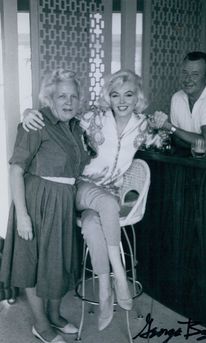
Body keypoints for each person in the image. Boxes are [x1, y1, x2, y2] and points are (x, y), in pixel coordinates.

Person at [21, 69, 162, 331]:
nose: (122, 101)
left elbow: (164, 141)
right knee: (107, 205)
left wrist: (167, 124)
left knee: (92, 225)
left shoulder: (143, 125)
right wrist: (28, 111)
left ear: (137, 98)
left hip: (109, 192)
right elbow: (58, 114)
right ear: (107, 97)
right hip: (82, 187)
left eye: (129, 94)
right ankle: (119, 275)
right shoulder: (94, 118)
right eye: (115, 94)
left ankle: (105, 291)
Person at [0, 69, 91, 343]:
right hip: (37, 202)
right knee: (33, 263)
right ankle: (41, 324)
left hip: (63, 203)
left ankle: (54, 315)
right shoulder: (36, 123)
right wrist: (23, 216)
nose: (68, 101)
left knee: (58, 262)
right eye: (61, 95)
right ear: (50, 97)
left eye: (73, 96)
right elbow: (16, 171)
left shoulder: (76, 126)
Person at [152, 51, 206, 155]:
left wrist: (170, 127)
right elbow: (176, 140)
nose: (188, 79)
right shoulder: (177, 97)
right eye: (185, 73)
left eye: (195, 74)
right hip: (193, 159)